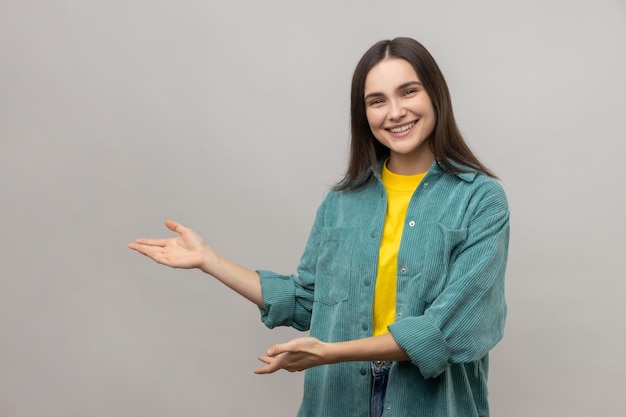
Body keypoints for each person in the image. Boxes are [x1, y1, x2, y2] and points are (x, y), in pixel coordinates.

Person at [128, 37, 509, 417]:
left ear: (435, 95)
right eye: (377, 101)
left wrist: (330, 352)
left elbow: (446, 330)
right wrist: (209, 260)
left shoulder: (480, 199)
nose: (395, 112)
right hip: (338, 400)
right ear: (363, 114)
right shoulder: (341, 202)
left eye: (408, 92)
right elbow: (308, 301)